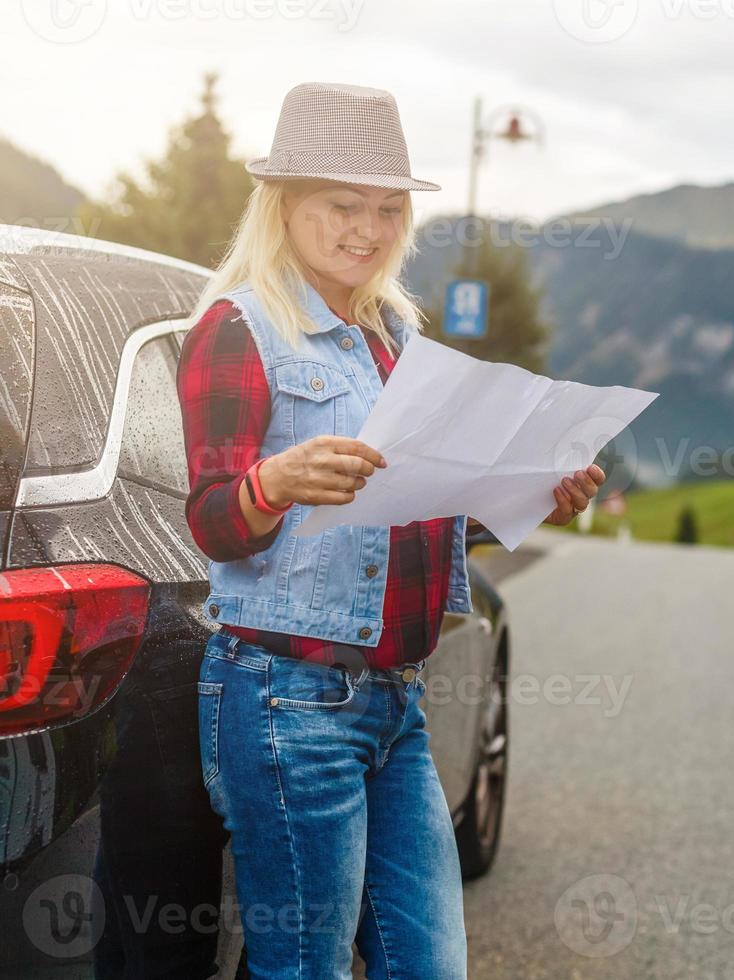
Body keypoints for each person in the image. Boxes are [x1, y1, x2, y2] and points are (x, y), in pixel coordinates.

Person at [175, 81, 603, 979]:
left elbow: (419, 509)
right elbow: (215, 521)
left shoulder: (393, 339)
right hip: (286, 697)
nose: (367, 229)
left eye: (387, 208)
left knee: (429, 964)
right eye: (343, 205)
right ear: (286, 206)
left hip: (394, 699)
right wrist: (274, 482)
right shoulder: (239, 329)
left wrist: (531, 492)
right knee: (305, 969)